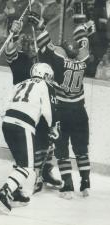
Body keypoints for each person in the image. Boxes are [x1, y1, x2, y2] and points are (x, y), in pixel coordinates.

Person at [28, 10, 95, 199]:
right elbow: (83, 39)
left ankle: (67, 186)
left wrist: (40, 25)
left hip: (62, 110)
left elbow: (45, 44)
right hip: (79, 111)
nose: (66, 43)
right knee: (81, 149)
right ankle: (85, 185)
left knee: (62, 149)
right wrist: (80, 22)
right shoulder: (83, 57)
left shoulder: (59, 57)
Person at [0, 62, 60, 214]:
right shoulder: (45, 86)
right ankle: (4, 193)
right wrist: (53, 127)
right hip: (24, 125)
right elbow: (48, 110)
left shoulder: (20, 83)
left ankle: (18, 193)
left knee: (19, 162)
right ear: (46, 75)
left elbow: (4, 107)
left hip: (7, 123)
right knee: (26, 167)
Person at [4, 20, 62, 193]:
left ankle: (45, 170)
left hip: (42, 107)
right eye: (25, 42)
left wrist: (42, 26)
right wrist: (13, 33)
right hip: (26, 109)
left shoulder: (42, 60)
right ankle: (31, 178)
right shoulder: (19, 59)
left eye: (32, 42)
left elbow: (53, 52)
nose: (29, 45)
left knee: (48, 142)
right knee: (29, 146)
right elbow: (8, 51)